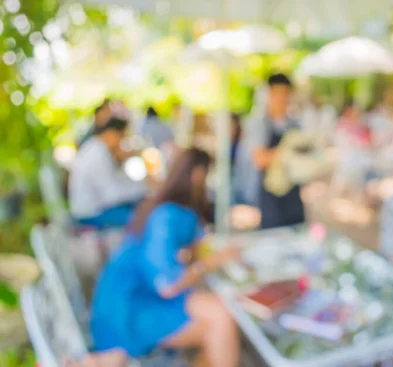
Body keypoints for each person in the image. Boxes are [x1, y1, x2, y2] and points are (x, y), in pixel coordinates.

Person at [81, 148, 240, 367]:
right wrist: (213, 261)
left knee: (219, 320)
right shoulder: (167, 215)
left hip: (138, 295)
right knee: (221, 322)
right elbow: (168, 284)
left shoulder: (164, 206)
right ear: (197, 174)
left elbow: (186, 249)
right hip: (127, 310)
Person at [246, 73, 305, 229]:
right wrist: (286, 153)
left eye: (286, 94)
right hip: (270, 195)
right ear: (269, 94)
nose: (282, 99)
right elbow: (259, 159)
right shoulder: (260, 123)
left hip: (293, 193)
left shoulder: (295, 124)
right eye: (278, 94)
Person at [69, 117, 146, 230]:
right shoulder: (97, 153)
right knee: (142, 218)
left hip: (98, 208)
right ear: (112, 134)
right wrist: (143, 192)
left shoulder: (97, 148)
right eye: (122, 137)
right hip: (90, 215)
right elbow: (112, 195)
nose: (121, 144)